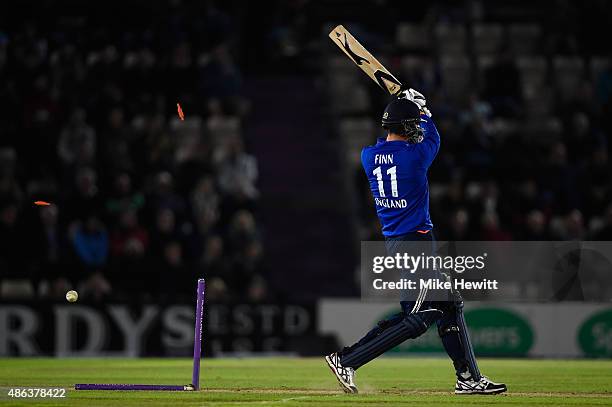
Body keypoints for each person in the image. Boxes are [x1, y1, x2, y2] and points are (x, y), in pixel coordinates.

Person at [325, 89, 507, 395]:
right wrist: (423, 110)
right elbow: (432, 136)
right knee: (419, 319)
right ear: (408, 126)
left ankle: (468, 378)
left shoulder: (368, 156)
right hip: (415, 242)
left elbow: (413, 136)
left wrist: (412, 110)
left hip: (400, 240)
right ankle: (348, 359)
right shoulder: (415, 157)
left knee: (449, 303)